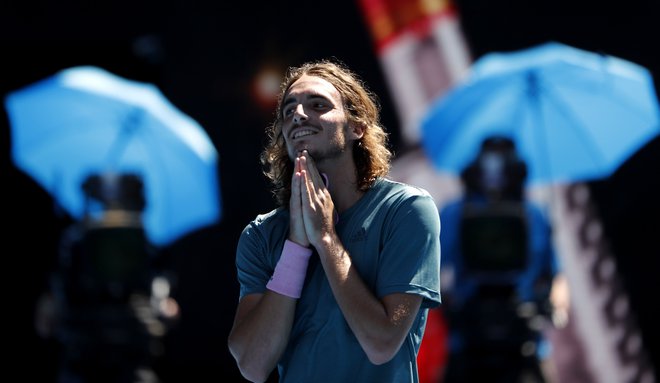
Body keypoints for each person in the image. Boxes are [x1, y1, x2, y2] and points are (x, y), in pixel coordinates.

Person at [227, 59, 441, 383]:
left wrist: (325, 238)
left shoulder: (407, 210)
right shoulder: (261, 236)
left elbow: (381, 344)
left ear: (357, 127)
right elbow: (253, 366)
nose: (298, 115)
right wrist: (297, 247)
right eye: (288, 111)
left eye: (318, 105)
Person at [438, 136, 567, 383]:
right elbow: (429, 270)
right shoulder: (455, 213)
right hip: (468, 339)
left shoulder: (535, 215)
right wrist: (443, 302)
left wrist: (555, 305)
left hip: (525, 340)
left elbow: (555, 274)